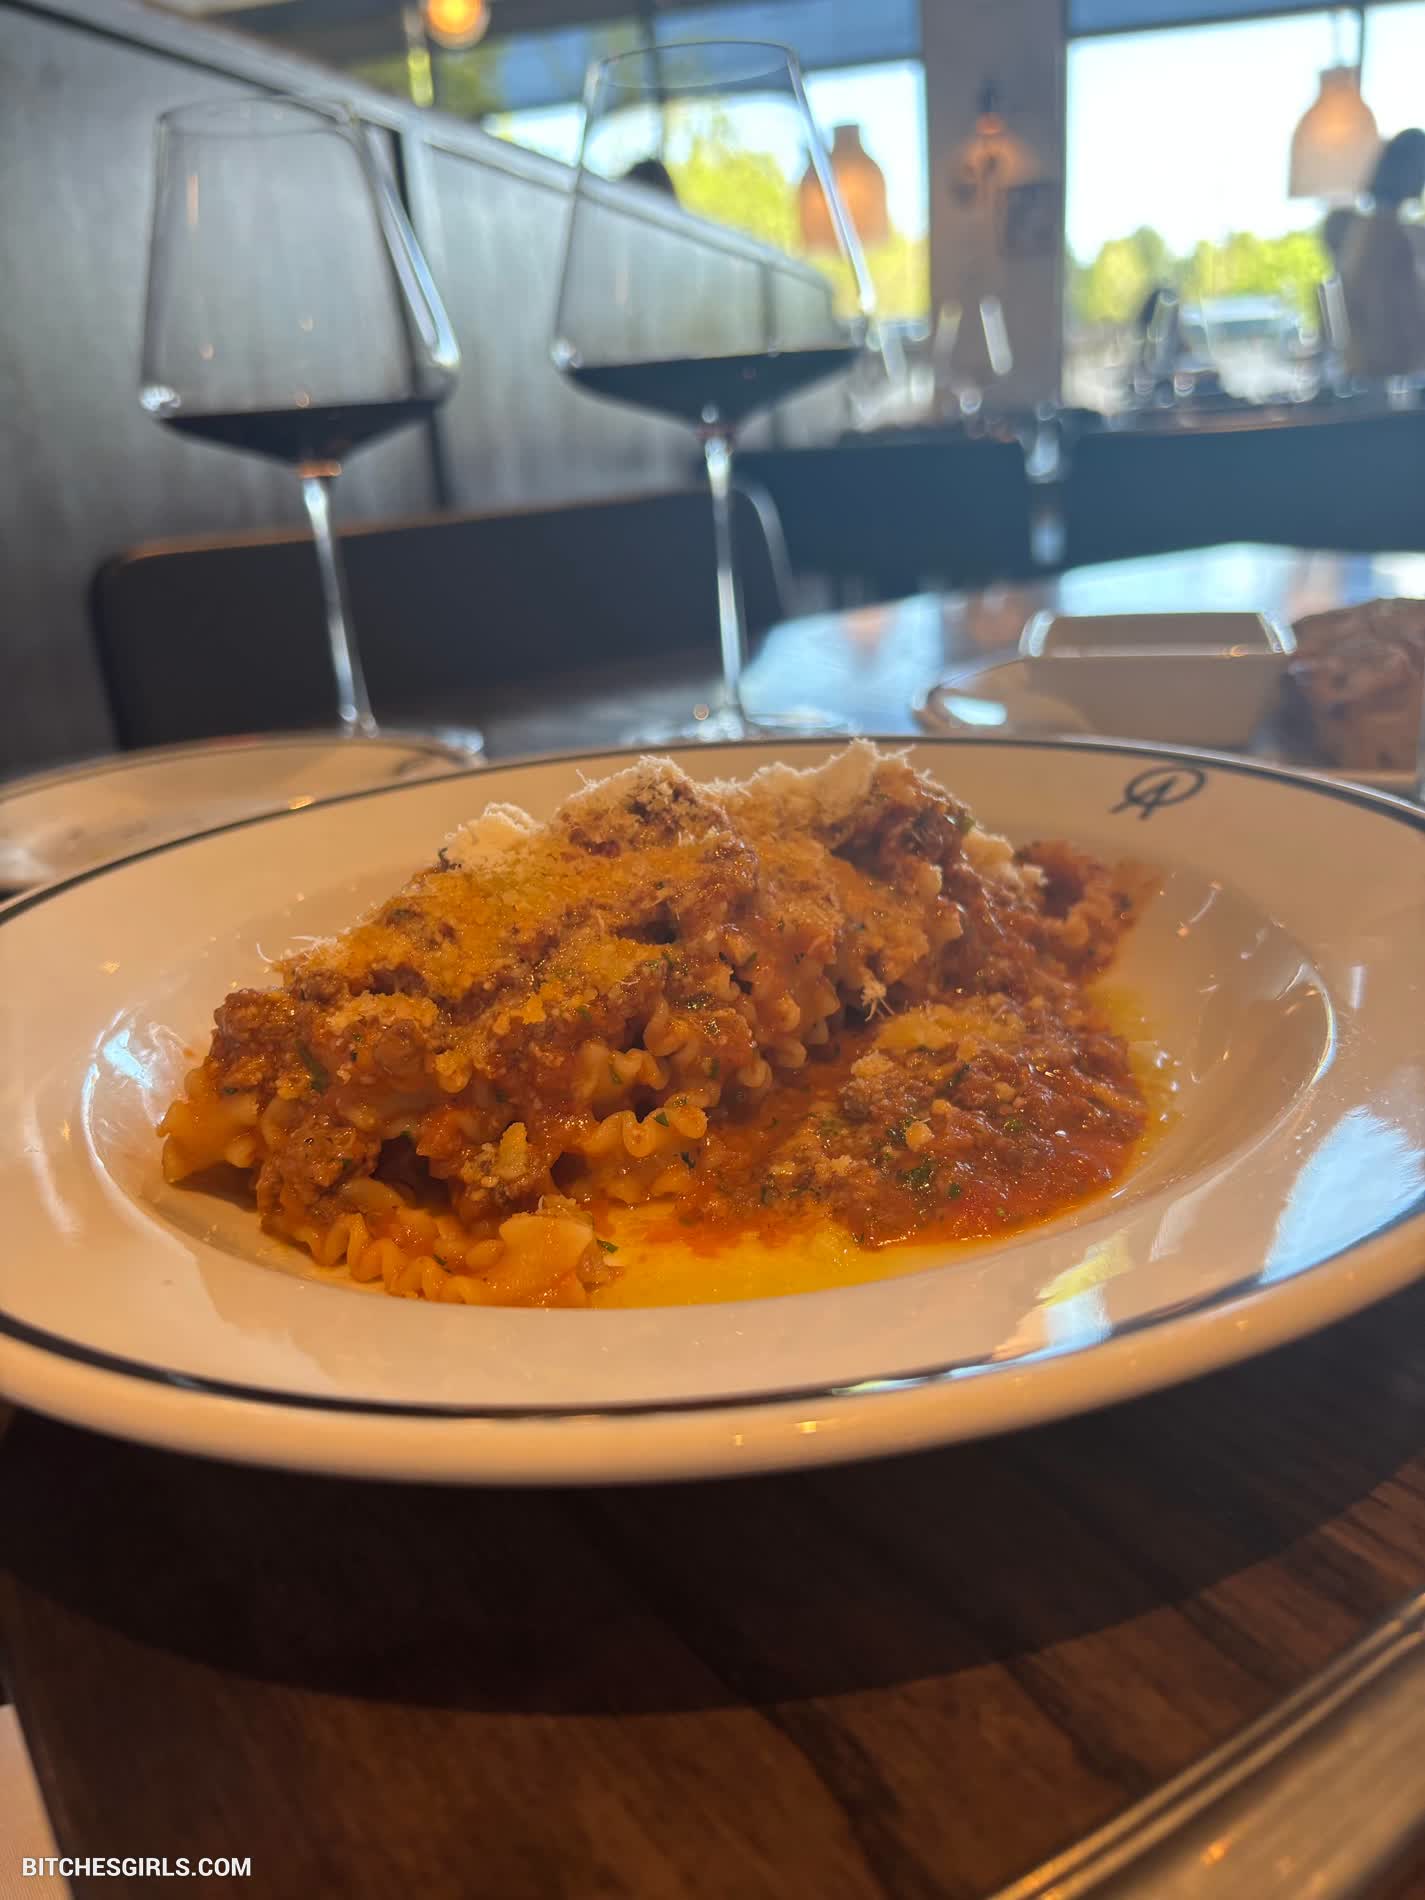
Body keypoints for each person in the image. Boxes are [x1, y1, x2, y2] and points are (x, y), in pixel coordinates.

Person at [1337, 128, 1425, 380]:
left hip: (1381, 371)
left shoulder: (1371, 228)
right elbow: (1392, 316)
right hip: (1387, 374)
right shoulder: (1386, 234)